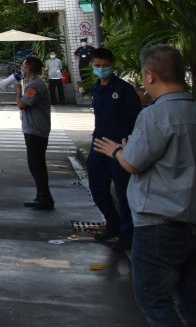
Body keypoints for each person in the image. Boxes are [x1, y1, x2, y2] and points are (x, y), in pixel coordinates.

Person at [93, 45, 196, 327]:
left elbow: (132, 163)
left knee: (155, 302)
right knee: (191, 303)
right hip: (192, 221)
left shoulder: (155, 115)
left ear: (150, 76)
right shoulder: (195, 111)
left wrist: (118, 150)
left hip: (158, 223)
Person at [84, 47, 142, 251]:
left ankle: (127, 233)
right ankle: (113, 223)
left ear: (113, 65)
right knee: (97, 188)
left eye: (105, 66)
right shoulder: (96, 88)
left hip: (119, 148)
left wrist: (127, 144)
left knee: (123, 192)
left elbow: (136, 118)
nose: (101, 69)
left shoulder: (124, 89)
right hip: (99, 145)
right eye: (97, 65)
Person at [15, 55, 53, 209]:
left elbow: (22, 105)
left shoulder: (35, 87)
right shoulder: (34, 84)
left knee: (36, 165)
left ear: (29, 70)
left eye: (23, 67)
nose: (22, 70)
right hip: (34, 129)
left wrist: (18, 92)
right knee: (37, 164)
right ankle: (42, 196)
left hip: (36, 130)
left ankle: (44, 198)